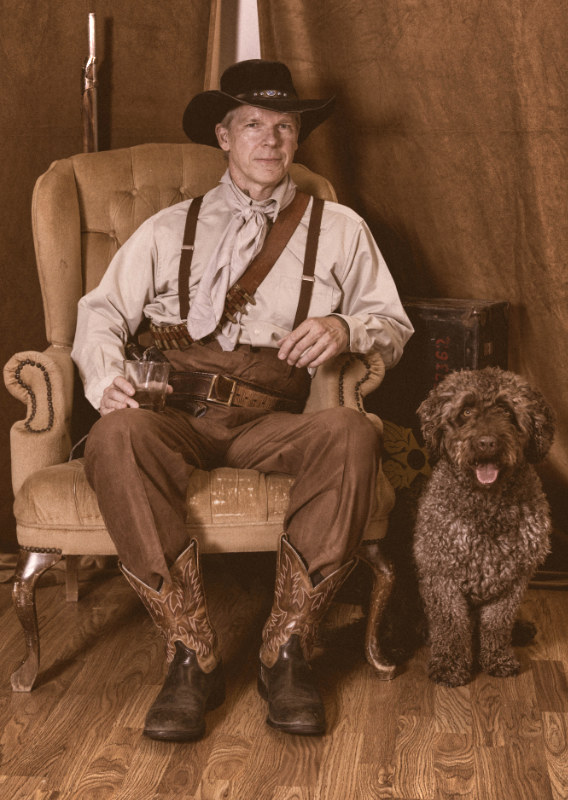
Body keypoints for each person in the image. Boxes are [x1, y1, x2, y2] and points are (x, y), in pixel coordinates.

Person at [72, 59, 413, 742]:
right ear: (224, 137)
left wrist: (344, 327)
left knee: (350, 431)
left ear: (296, 139)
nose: (269, 138)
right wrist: (105, 376)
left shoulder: (338, 227)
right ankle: (188, 655)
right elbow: (101, 310)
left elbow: (393, 323)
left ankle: (286, 649)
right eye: (252, 124)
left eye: (283, 126)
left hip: (271, 418)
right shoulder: (169, 227)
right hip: (171, 412)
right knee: (116, 437)